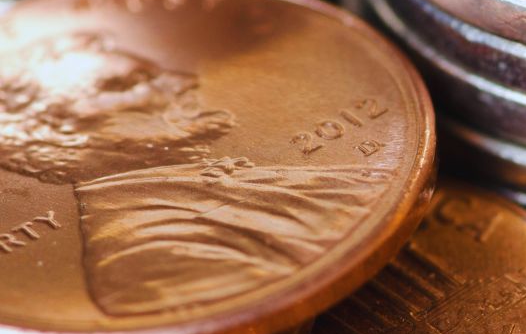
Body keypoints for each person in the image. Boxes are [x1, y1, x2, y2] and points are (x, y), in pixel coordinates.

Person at [0, 33, 392, 317]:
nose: (184, 81)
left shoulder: (230, 180)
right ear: (55, 132)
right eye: (135, 82)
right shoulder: (149, 261)